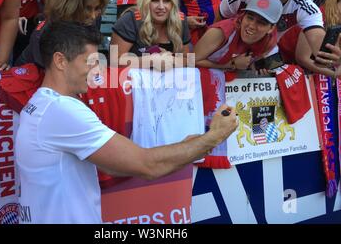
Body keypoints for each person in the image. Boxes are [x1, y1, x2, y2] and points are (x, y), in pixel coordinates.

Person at [15, 20, 237, 224]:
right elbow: (147, 165)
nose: (97, 71)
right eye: (90, 62)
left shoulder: (44, 104)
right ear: (60, 61)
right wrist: (213, 137)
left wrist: (188, 147)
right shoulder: (61, 110)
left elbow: (114, 164)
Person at [15, 0, 108, 67]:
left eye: (97, 8)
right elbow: (52, 77)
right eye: (87, 8)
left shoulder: (92, 19)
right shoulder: (44, 34)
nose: (93, 16)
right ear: (69, 4)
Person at [110, 0, 190, 70]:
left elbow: (187, 59)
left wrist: (171, 60)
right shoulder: (129, 20)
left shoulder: (180, 20)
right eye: (154, 0)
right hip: (131, 82)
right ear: (145, 1)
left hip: (169, 81)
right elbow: (114, 61)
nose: (161, 7)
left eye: (167, 0)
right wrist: (152, 60)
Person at [195, 0, 281, 71]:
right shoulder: (220, 32)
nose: (251, 26)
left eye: (261, 22)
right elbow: (188, 61)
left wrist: (258, 71)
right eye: (250, 18)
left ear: (271, 28)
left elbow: (253, 68)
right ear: (243, 16)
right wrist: (232, 64)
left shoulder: (269, 42)